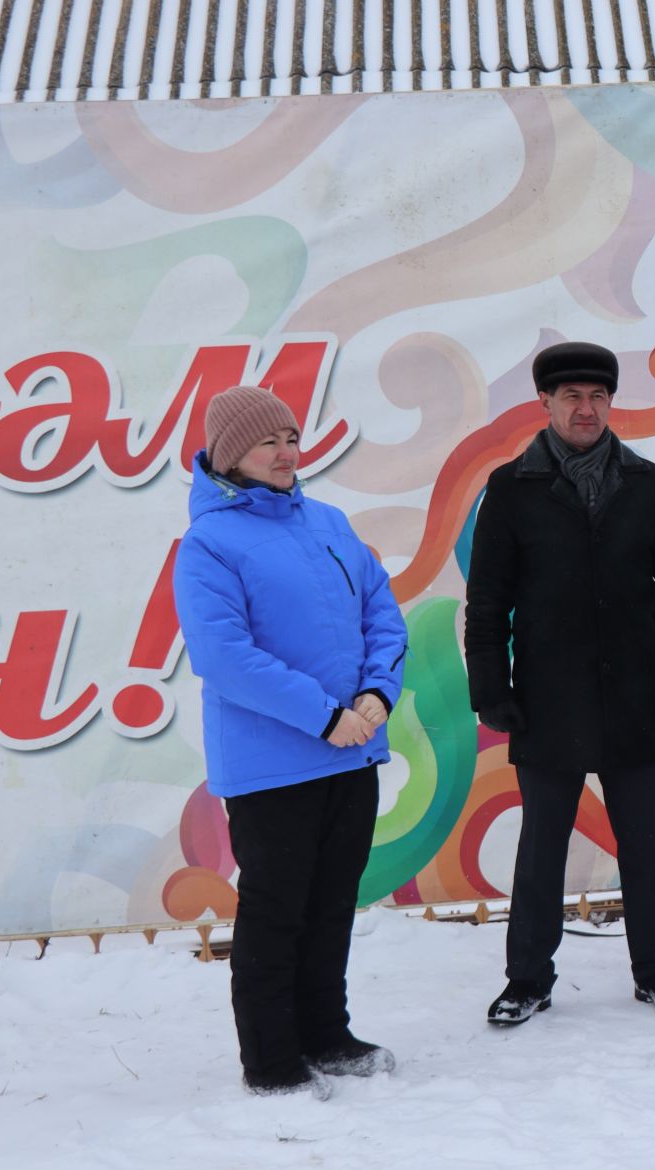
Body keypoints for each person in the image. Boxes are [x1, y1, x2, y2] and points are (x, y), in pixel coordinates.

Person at [464, 342, 655, 1026]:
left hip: (633, 693)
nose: (586, 408)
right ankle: (527, 979)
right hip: (546, 699)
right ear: (545, 404)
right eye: (571, 396)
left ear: (611, 403)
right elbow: (487, 605)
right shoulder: (511, 488)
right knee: (542, 844)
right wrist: (492, 690)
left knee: (643, 842)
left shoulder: (646, 482)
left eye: (598, 396)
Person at [173, 386, 407, 1097]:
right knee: (277, 914)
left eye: (292, 438)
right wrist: (325, 715)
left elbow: (383, 616)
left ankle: (326, 1036)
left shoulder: (330, 523)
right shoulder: (208, 544)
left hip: (351, 752)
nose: (285, 452)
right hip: (273, 768)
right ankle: (273, 1061)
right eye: (268, 441)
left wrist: (374, 696)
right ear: (229, 453)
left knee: (332, 903)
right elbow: (223, 654)